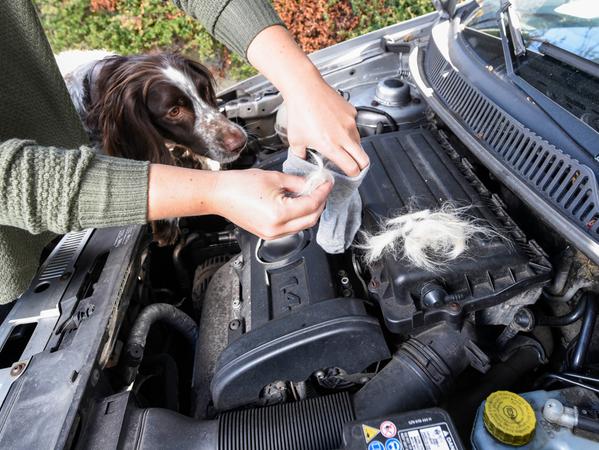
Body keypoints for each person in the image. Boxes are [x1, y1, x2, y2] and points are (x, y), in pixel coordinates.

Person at [0, 0, 369, 304]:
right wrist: (212, 193)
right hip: (15, 272)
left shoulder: (134, 89)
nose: (231, 136)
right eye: (176, 110)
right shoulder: (120, 118)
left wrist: (302, 83)